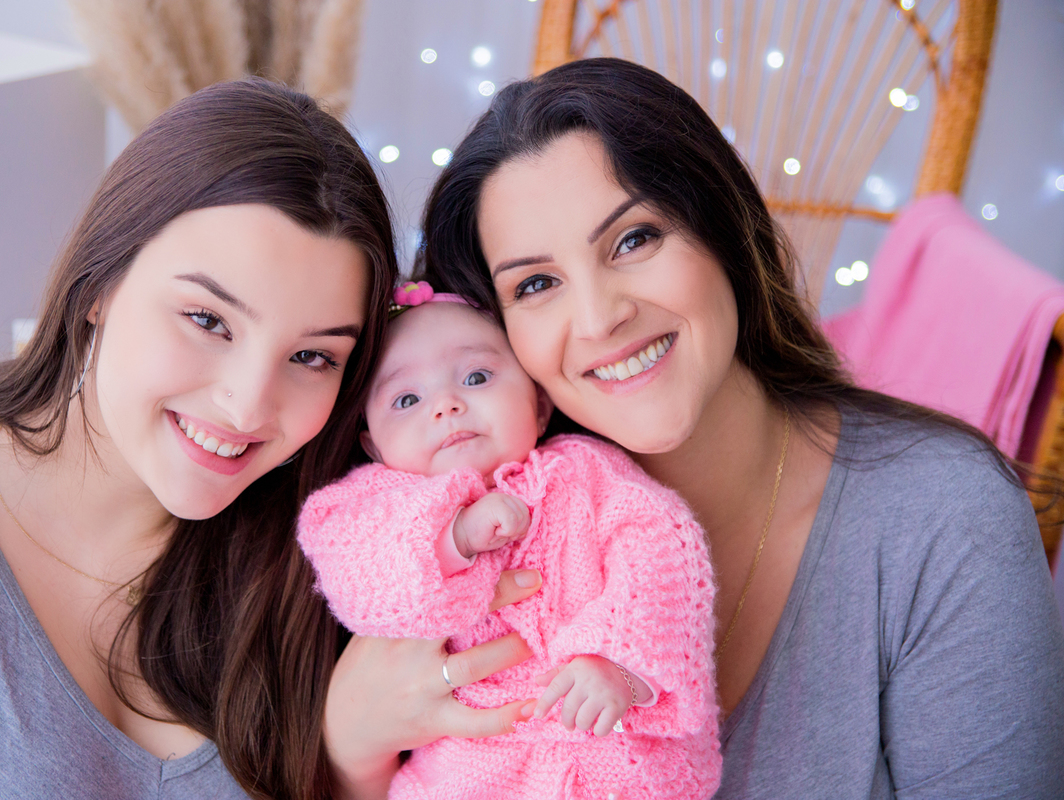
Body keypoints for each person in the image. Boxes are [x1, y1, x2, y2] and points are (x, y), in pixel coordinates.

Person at [375, 58, 1060, 798]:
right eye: (536, 284)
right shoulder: (447, 539)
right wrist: (351, 751)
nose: (601, 317)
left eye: (634, 240)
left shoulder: (940, 516)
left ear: (724, 231)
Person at [0, 78, 540, 800]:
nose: (248, 406)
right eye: (208, 320)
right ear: (101, 284)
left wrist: (349, 763)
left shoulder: (337, 552)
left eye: (312, 357)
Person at [298, 284, 720, 800]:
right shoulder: (373, 504)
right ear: (372, 443)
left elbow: (660, 548)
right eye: (407, 399)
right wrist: (456, 537)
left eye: (476, 377)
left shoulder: (585, 474)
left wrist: (618, 666)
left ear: (538, 406)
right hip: (467, 771)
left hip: (614, 752)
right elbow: (354, 574)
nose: (447, 406)